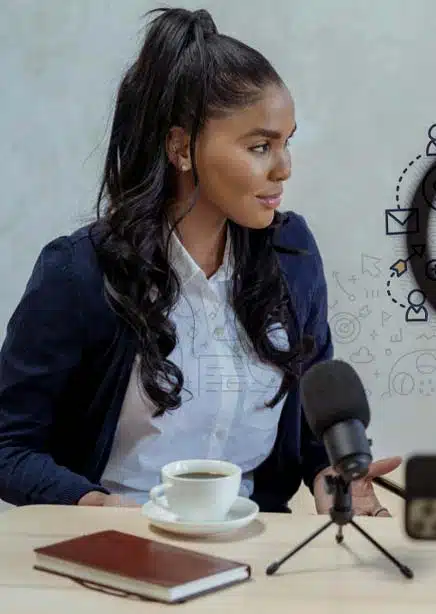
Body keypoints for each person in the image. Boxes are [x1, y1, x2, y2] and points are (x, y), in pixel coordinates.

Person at [0, 8, 399, 515]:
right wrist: (93, 506)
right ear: (181, 147)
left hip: (252, 552)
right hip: (115, 550)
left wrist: (333, 478)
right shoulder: (79, 271)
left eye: (286, 142)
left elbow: (310, 430)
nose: (284, 168)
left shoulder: (292, 256)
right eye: (260, 146)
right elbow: (8, 446)